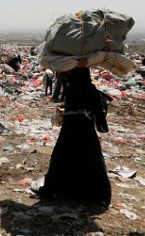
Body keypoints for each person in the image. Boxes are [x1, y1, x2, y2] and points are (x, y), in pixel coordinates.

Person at [34, 67, 112, 207]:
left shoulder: (70, 89)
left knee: (62, 158)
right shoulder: (91, 89)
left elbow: (69, 106)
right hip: (86, 130)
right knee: (90, 159)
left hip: (69, 130)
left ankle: (60, 188)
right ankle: (95, 193)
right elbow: (97, 111)